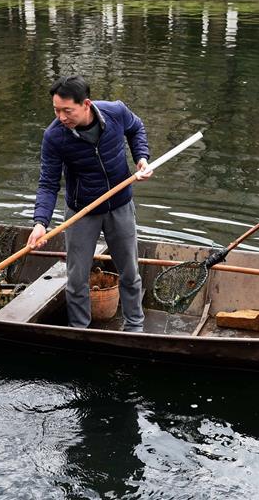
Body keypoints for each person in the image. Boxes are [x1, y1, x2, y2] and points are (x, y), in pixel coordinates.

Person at [26, 76, 153, 332]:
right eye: (56, 110)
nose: (61, 117)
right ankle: (79, 330)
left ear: (86, 104)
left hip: (120, 205)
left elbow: (136, 128)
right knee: (76, 278)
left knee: (129, 271)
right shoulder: (55, 137)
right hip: (81, 211)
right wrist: (41, 223)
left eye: (67, 110)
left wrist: (141, 157)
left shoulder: (115, 112)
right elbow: (48, 183)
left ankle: (135, 327)